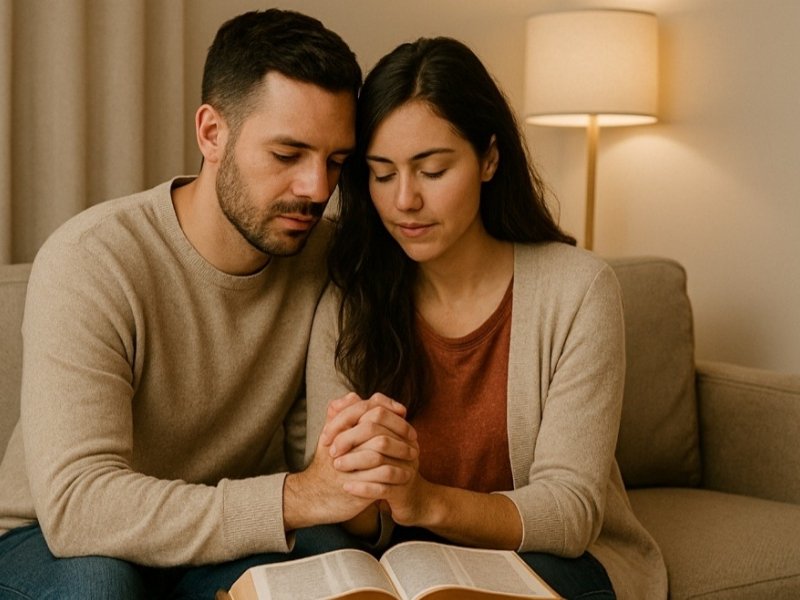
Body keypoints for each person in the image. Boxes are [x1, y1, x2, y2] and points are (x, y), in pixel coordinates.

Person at [0, 9, 414, 599]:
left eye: (335, 162)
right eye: (287, 155)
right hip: (52, 542)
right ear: (211, 133)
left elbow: (330, 478)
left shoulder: (329, 259)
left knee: (332, 561)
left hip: (225, 539)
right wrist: (298, 495)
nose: (317, 189)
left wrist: (365, 464)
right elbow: (79, 507)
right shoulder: (92, 259)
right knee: (99, 582)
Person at [304, 37, 669, 599]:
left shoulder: (578, 289)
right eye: (382, 174)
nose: (404, 200)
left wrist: (424, 500)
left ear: (490, 159)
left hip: (547, 557)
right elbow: (342, 509)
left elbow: (569, 513)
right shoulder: (351, 299)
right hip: (398, 563)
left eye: (432, 170)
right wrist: (357, 478)